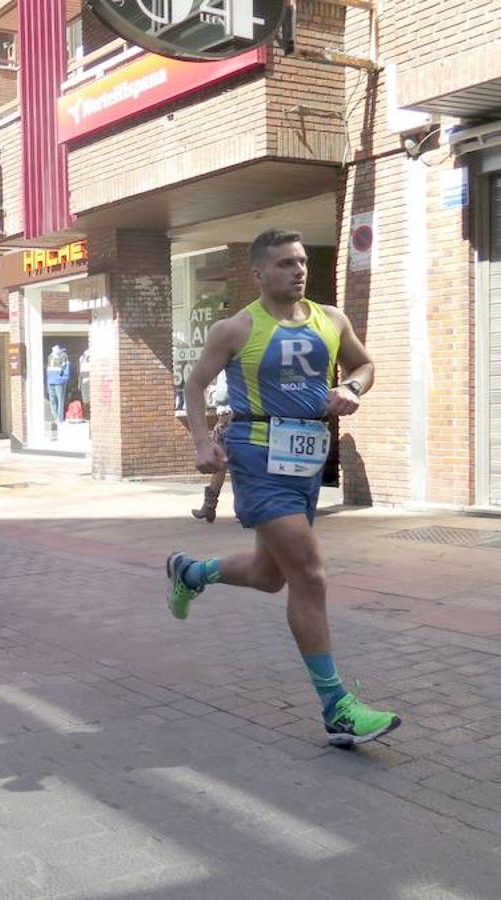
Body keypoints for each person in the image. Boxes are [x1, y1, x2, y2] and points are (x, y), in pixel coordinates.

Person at [167, 228, 400, 748]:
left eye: (301, 262)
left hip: (308, 457)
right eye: (284, 264)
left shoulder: (331, 319)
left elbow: (364, 364)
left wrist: (350, 386)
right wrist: (202, 442)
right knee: (310, 574)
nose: (298, 270)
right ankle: (337, 707)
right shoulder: (236, 328)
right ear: (258, 274)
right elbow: (196, 382)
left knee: (271, 575)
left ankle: (190, 571)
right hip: (256, 454)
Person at [191, 369, 232, 523]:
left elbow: (222, 396)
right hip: (224, 421)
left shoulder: (231, 369)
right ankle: (209, 507)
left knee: (235, 466)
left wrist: (213, 393)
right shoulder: (223, 370)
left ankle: (211, 507)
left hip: (232, 420)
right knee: (220, 465)